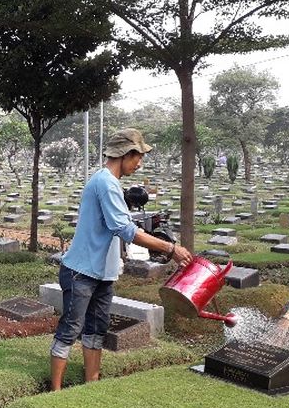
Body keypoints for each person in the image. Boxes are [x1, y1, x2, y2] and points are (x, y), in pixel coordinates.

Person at [50, 128, 193, 391]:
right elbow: (124, 230)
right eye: (138, 156)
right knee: (71, 329)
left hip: (102, 273)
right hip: (81, 271)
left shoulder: (112, 184)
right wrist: (171, 249)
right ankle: (55, 392)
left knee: (96, 331)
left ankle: (91, 386)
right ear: (125, 154)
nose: (139, 163)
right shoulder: (105, 183)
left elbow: (125, 227)